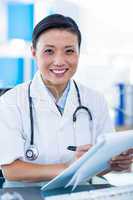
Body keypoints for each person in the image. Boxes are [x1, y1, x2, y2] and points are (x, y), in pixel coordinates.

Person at [0, 14, 132, 188]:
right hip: (25, 194)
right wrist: (70, 167)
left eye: (69, 51)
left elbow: (100, 165)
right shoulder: (10, 102)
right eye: (49, 51)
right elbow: (12, 171)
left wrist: (115, 163)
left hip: (80, 192)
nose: (59, 61)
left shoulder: (95, 100)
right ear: (34, 52)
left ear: (78, 52)